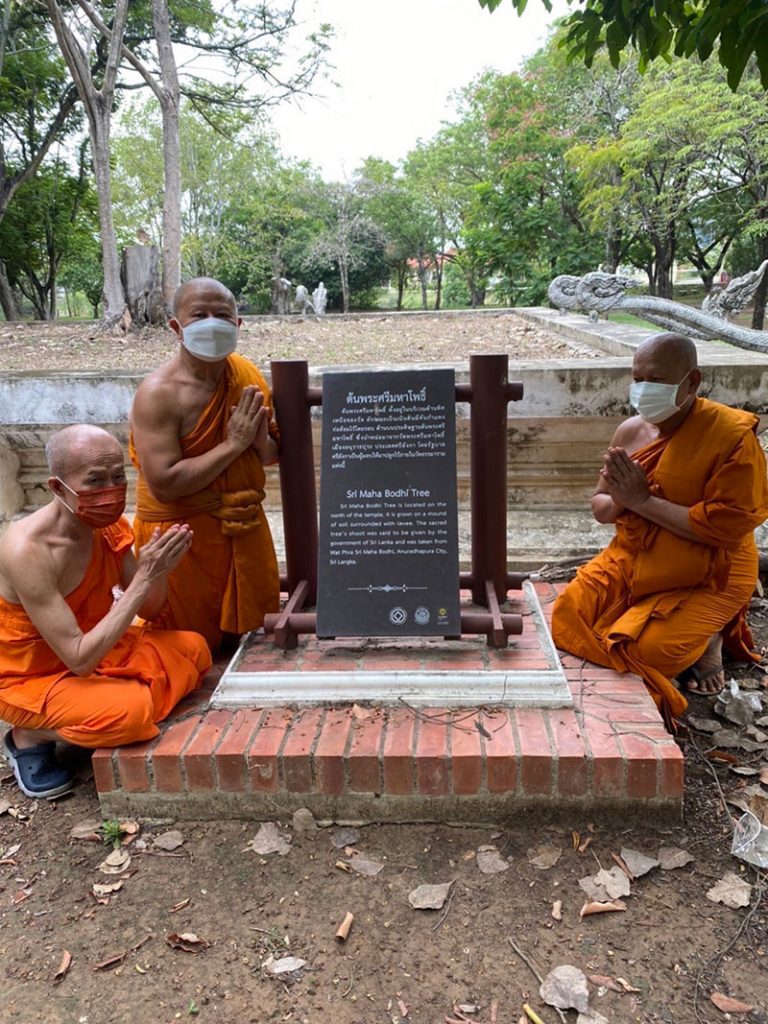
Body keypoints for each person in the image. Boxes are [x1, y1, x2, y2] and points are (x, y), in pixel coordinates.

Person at [552, 333, 768, 723]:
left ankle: (709, 637)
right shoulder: (631, 432)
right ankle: (669, 627)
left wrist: (642, 502)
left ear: (692, 382)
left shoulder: (730, 437)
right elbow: (601, 507)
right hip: (636, 556)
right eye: (638, 379)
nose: (644, 389)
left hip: (711, 570)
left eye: (658, 380)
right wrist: (622, 500)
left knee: (650, 654)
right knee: (567, 615)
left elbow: (723, 531)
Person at [0, 425, 211, 799]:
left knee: (194, 648)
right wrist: (145, 578)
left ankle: (109, 703)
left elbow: (149, 606)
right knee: (127, 714)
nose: (109, 492)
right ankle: (28, 735)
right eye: (95, 481)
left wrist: (157, 571)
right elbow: (79, 658)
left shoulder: (109, 526)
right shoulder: (26, 551)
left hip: (95, 649)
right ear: (57, 487)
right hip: (33, 674)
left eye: (118, 477)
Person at [129, 277, 280, 651]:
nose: (212, 323)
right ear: (176, 327)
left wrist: (257, 440)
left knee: (244, 640)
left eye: (222, 315)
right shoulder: (159, 394)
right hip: (183, 537)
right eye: (199, 315)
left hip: (241, 525)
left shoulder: (246, 375)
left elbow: (272, 454)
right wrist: (234, 444)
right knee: (187, 645)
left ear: (238, 325)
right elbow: (164, 482)